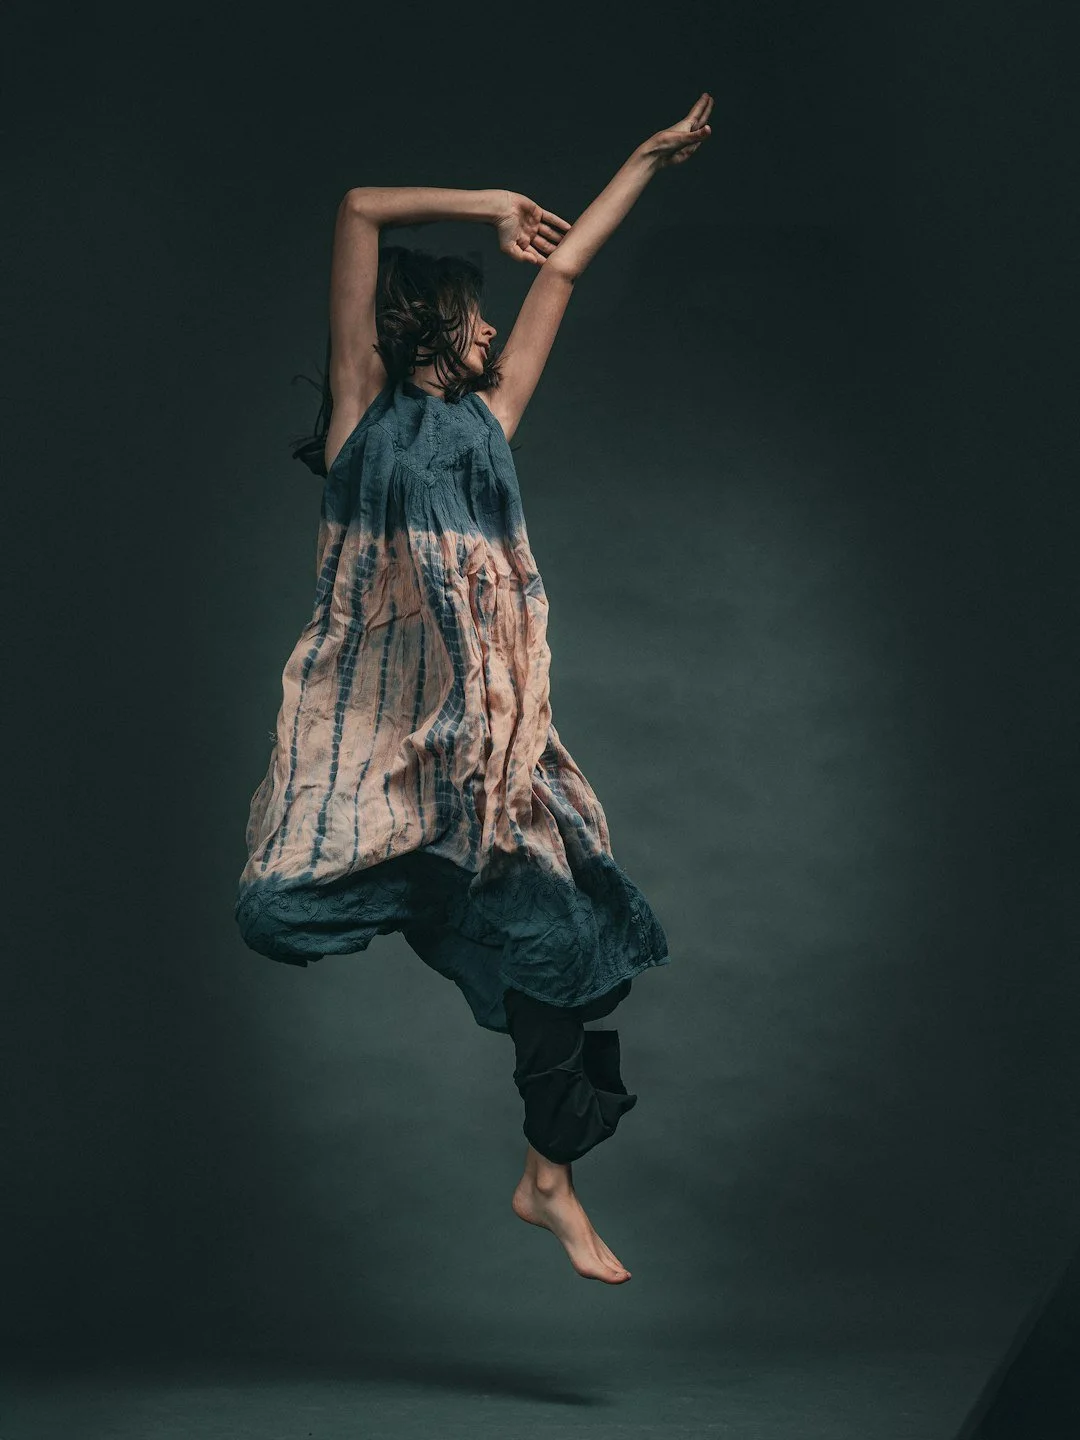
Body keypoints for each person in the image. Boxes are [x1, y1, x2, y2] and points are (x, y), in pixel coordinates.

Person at [235, 92, 713, 1284]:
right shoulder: (362, 419)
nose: (496, 328)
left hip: (487, 758)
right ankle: (436, 902)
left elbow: (569, 273)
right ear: (429, 331)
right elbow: (359, 209)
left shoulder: (491, 424)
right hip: (379, 751)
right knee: (279, 907)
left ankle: (547, 1177)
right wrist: (489, 202)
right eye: (478, 315)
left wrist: (643, 160)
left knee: (568, 944)